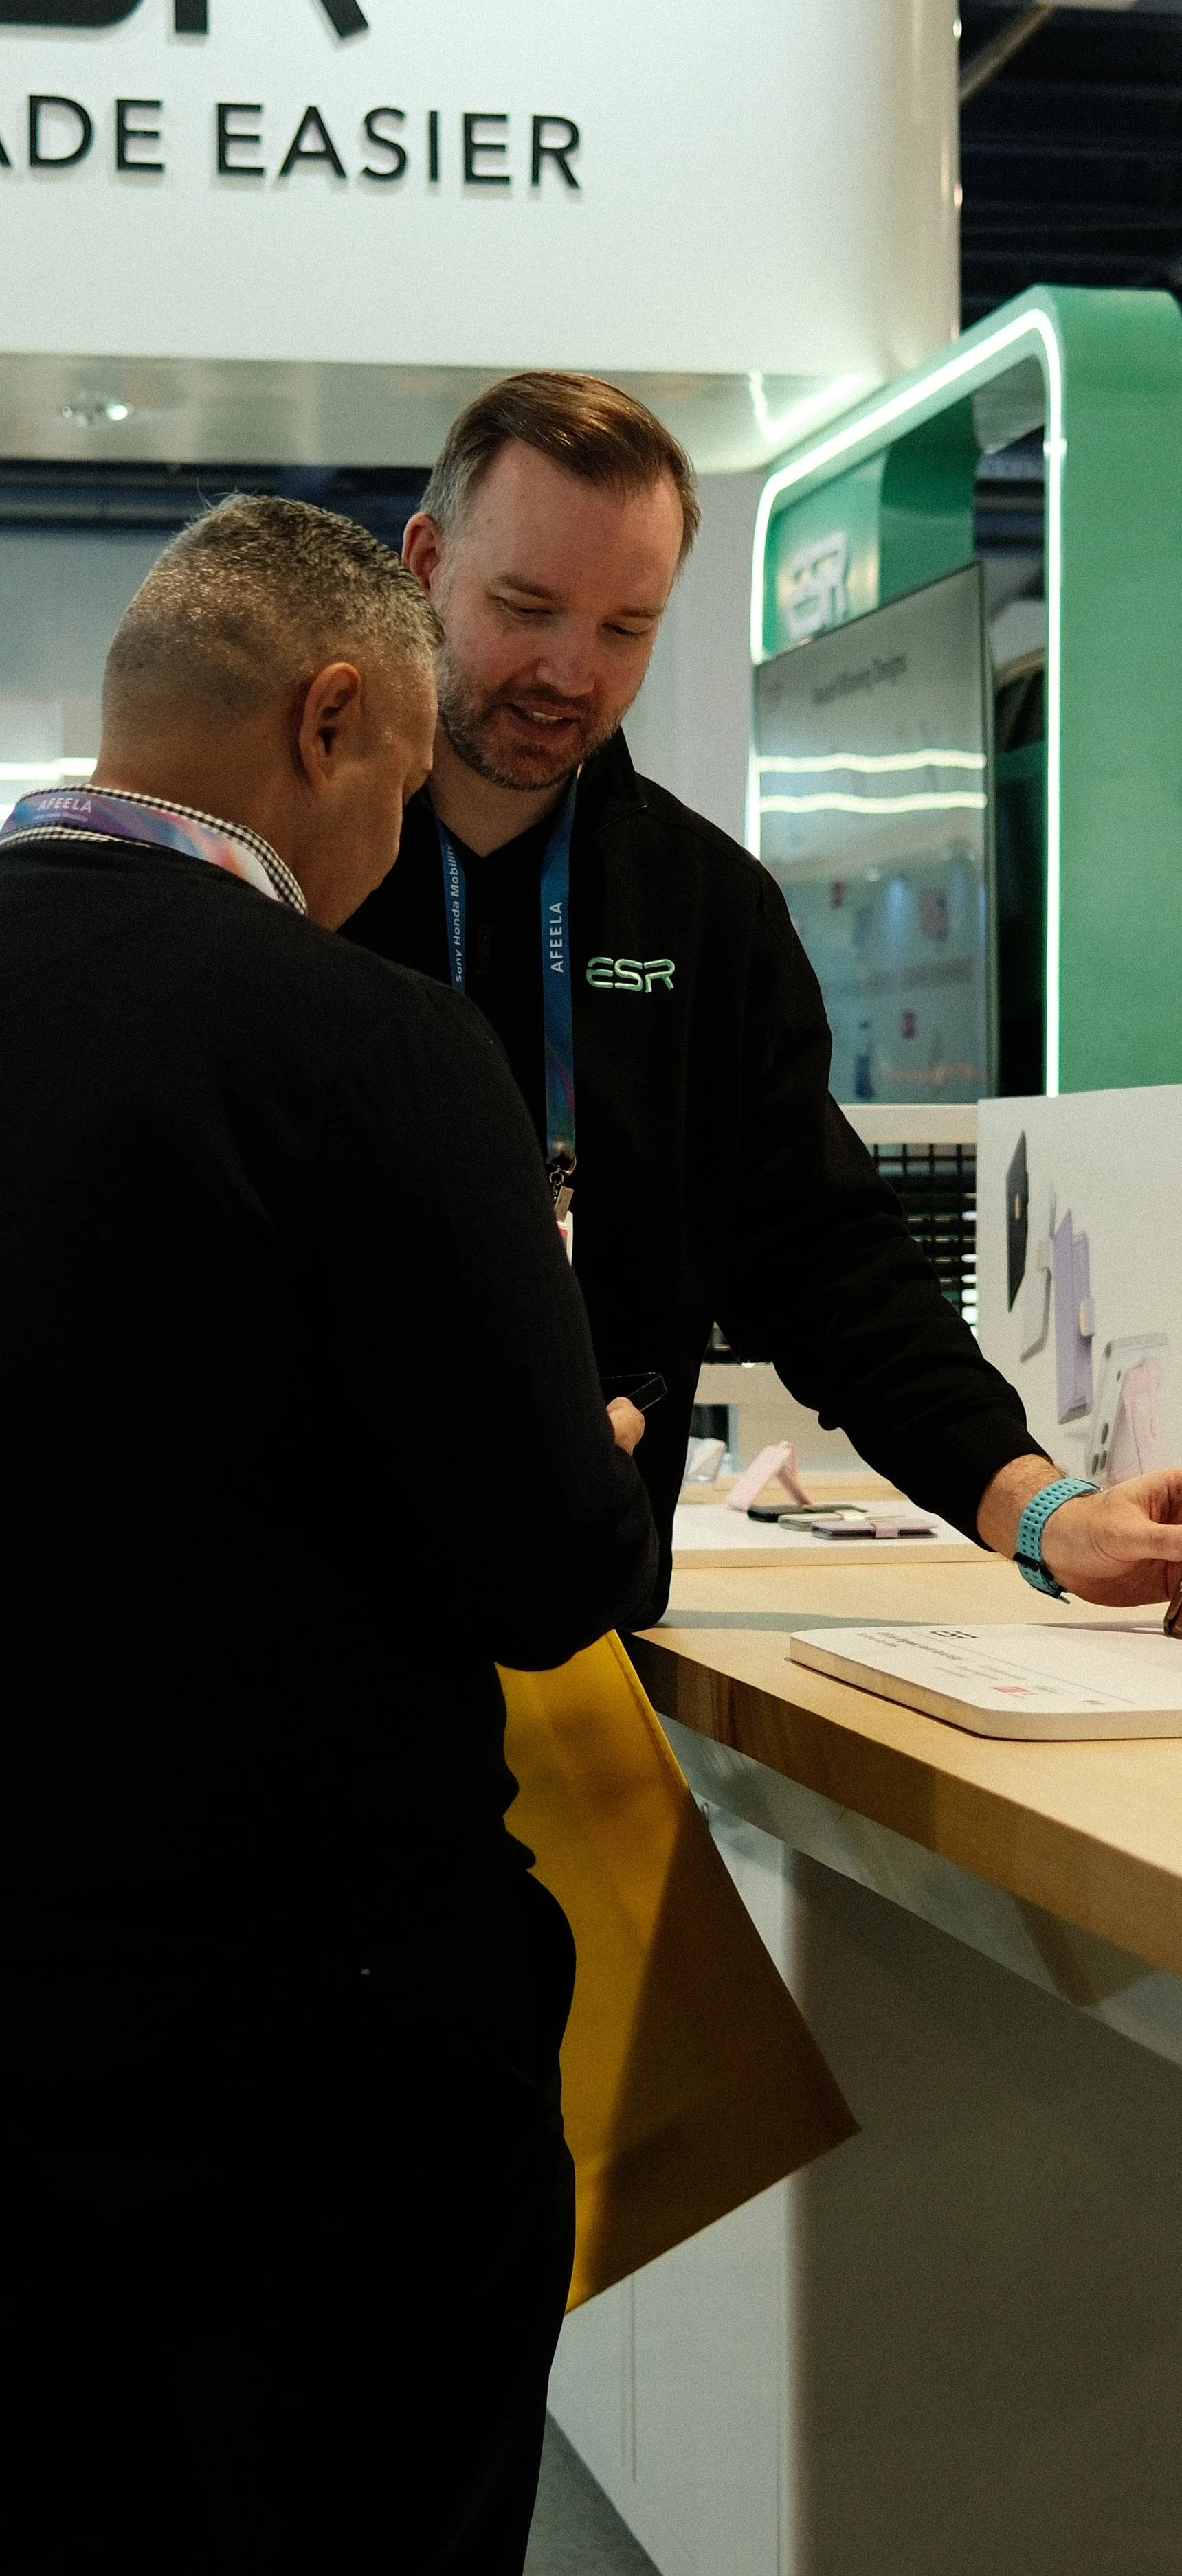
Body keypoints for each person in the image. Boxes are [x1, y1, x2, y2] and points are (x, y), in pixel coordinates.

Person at [0, 497, 657, 2574]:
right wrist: (600, 1431)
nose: (396, 836)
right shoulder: (357, 1041)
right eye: (405, 768)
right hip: (300, 2072)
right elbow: (552, 1571)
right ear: (334, 715)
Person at [346, 373, 1182, 1614]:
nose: (571, 669)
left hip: (580, 1621)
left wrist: (1041, 1509)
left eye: (627, 628)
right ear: (426, 562)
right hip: (307, 1630)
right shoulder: (295, 870)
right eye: (528, 607)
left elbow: (830, 1267)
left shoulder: (703, 906)